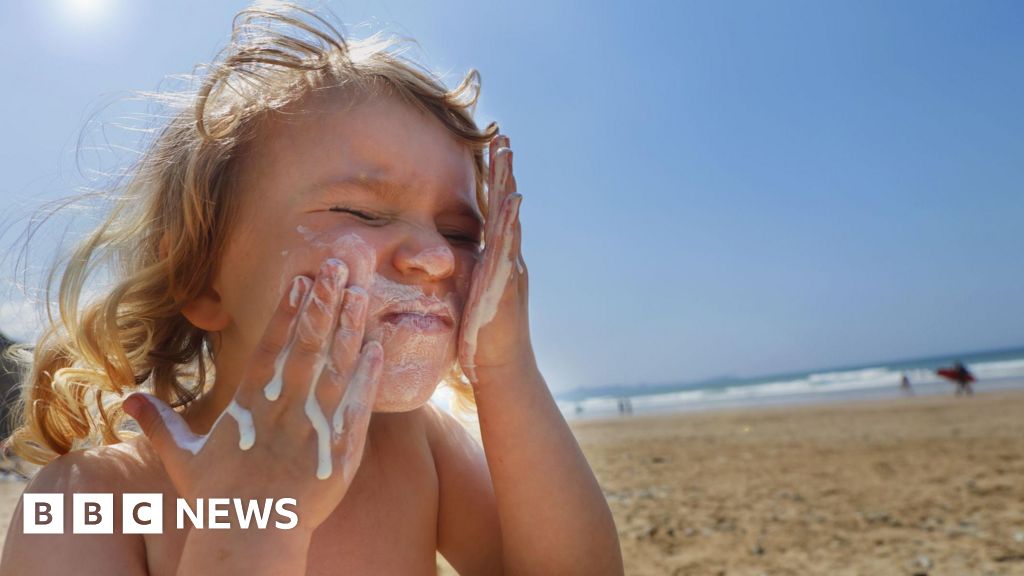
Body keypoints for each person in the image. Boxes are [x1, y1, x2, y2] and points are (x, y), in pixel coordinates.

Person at [0, 5, 624, 575]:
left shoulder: (416, 445)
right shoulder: (87, 499)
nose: (435, 258)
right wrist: (248, 529)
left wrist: (506, 367)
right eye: (363, 214)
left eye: (461, 233)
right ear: (201, 281)